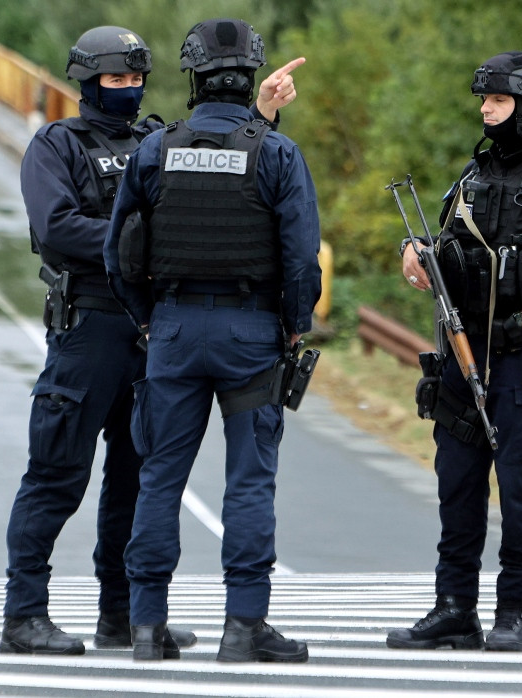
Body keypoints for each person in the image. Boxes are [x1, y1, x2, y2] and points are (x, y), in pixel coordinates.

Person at [0, 25, 301, 656]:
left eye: (136, 79)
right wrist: (143, 239)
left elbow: (225, 165)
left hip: (154, 329)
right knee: (57, 473)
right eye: (115, 80)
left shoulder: (155, 141)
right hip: (91, 330)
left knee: (136, 476)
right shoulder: (58, 144)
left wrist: (262, 111)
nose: (129, 90)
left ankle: (122, 616)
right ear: (87, 82)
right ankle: (24, 614)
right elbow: (55, 228)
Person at [103, 18, 321, 663]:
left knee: (159, 477)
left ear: (192, 76)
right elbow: (301, 258)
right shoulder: (276, 152)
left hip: (170, 329)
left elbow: (121, 252)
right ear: (252, 76)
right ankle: (243, 627)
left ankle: (146, 627)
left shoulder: (154, 149)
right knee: (249, 482)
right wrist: (293, 324)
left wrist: (147, 318)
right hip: (251, 330)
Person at [387, 51, 522, 653]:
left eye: (498, 101)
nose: (486, 110)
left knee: (519, 485)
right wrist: (414, 248)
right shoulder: (472, 177)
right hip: (463, 355)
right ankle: (453, 609)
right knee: (456, 483)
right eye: (484, 101)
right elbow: (447, 239)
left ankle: (513, 614)